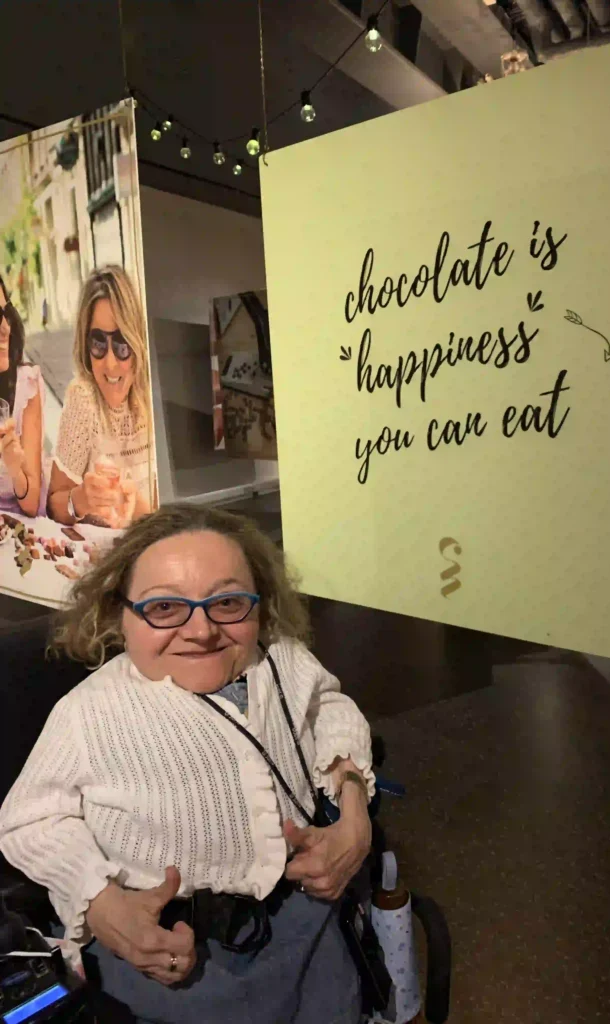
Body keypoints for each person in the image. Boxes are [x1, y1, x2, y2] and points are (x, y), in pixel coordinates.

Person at [0, 504, 373, 1023]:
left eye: (228, 602)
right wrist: (99, 902)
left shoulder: (283, 660)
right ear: (120, 615)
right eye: (164, 607)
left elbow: (329, 707)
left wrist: (354, 809)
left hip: (311, 936)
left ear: (260, 605)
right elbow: (29, 819)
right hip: (172, 958)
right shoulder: (89, 713)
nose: (201, 631)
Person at [48, 266, 153, 529]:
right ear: (85, 346)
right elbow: (54, 504)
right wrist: (81, 499)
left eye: (121, 344)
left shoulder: (154, 394)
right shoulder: (83, 399)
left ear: (137, 342)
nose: (110, 363)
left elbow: (164, 516)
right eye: (98, 343)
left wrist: (133, 505)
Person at [0, 273, 44, 518]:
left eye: (5, 313)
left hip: (17, 526)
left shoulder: (27, 385)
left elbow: (31, 503)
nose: (5, 327)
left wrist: (16, 471)